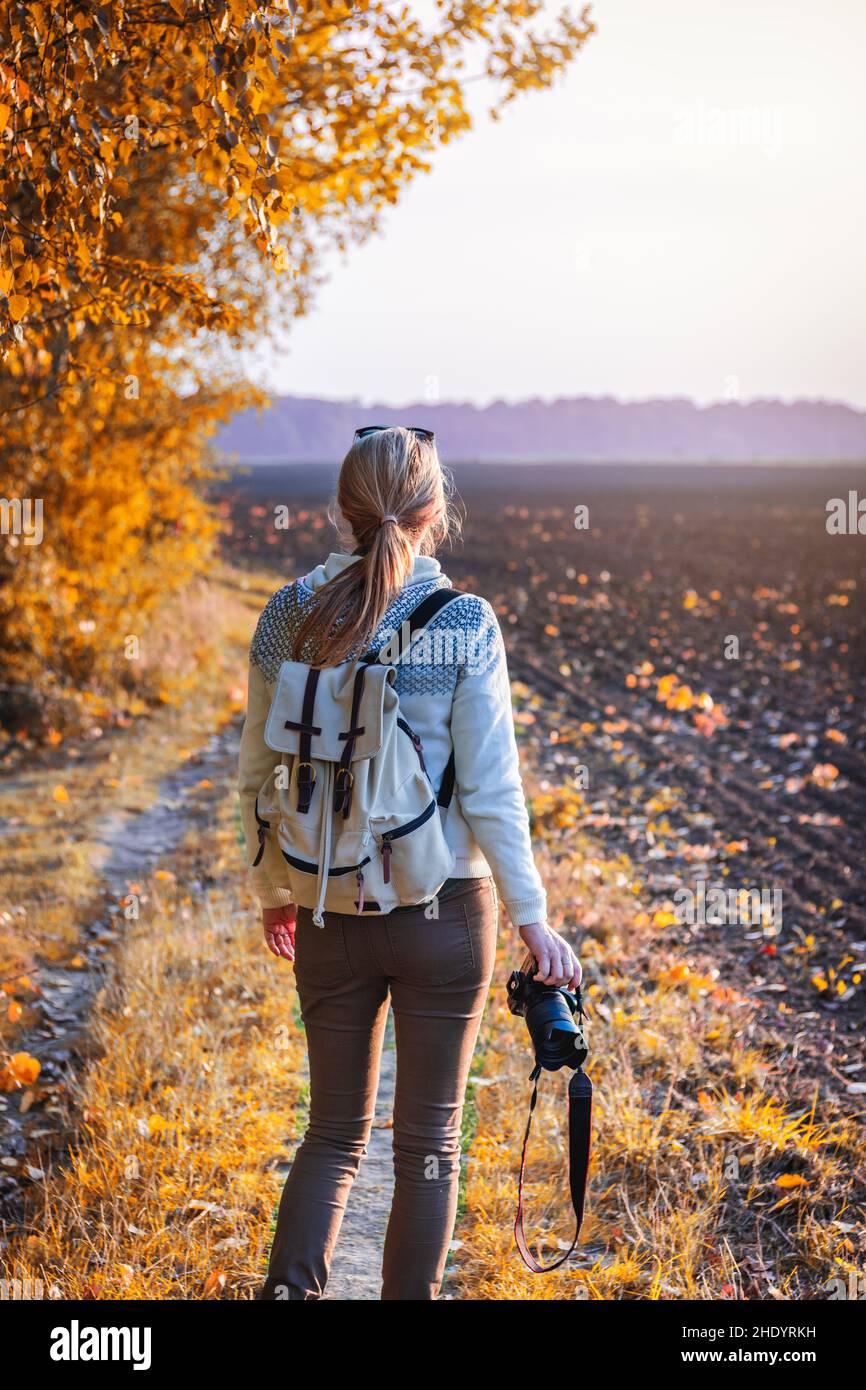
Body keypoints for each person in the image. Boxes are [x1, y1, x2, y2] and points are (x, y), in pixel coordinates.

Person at [237, 424, 581, 1300]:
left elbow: (260, 772)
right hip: (445, 913)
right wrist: (533, 916)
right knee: (429, 1143)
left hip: (326, 904)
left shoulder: (288, 614)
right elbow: (495, 790)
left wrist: (279, 888)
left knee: (331, 1136)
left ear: (340, 511)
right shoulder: (464, 622)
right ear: (434, 513)